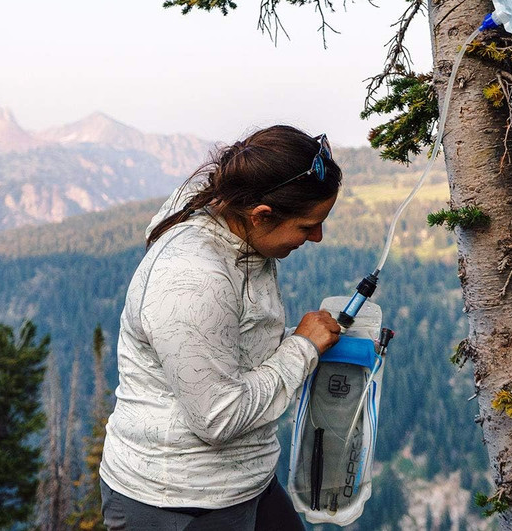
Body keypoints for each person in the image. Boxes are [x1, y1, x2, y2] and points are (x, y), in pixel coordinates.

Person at [99, 124, 343, 530]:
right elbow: (218, 418)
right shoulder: (194, 279)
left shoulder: (231, 209)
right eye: (307, 225)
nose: (317, 237)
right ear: (260, 215)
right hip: (177, 502)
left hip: (245, 483)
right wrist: (302, 348)